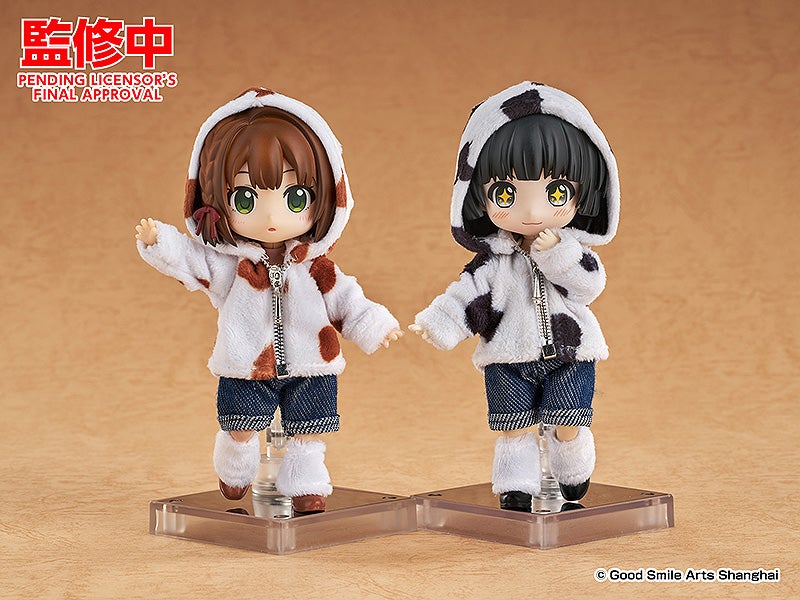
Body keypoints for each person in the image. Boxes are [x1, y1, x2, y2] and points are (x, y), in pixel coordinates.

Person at [135, 87, 402, 514]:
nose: (273, 218)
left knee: (309, 432)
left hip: (311, 363)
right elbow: (193, 259)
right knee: (240, 427)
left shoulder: (316, 268)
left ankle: (306, 484)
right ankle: (235, 465)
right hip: (245, 364)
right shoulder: (233, 268)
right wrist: (160, 241)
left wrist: (373, 324)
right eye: (245, 199)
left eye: (296, 198)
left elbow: (347, 300)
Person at [411, 82, 619, 509]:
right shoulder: (492, 264)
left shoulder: (574, 252)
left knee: (568, 421)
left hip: (571, 354)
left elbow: (588, 286)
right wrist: (440, 322)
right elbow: (468, 297)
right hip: (506, 358)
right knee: (513, 428)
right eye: (505, 194)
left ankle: (572, 471)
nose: (531, 211)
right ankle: (516, 486)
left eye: (556, 193)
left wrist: (557, 254)